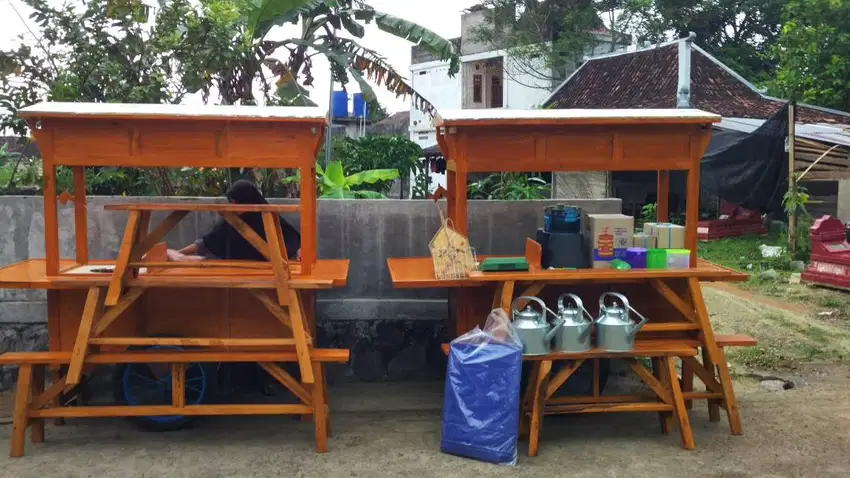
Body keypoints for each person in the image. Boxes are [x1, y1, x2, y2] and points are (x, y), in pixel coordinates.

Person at [168, 180, 301, 262]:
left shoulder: (268, 217)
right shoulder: (232, 221)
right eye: (231, 202)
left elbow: (294, 240)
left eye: (237, 202)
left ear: (248, 200)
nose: (233, 206)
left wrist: (300, 251)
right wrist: (178, 253)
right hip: (235, 271)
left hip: (268, 272)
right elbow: (206, 242)